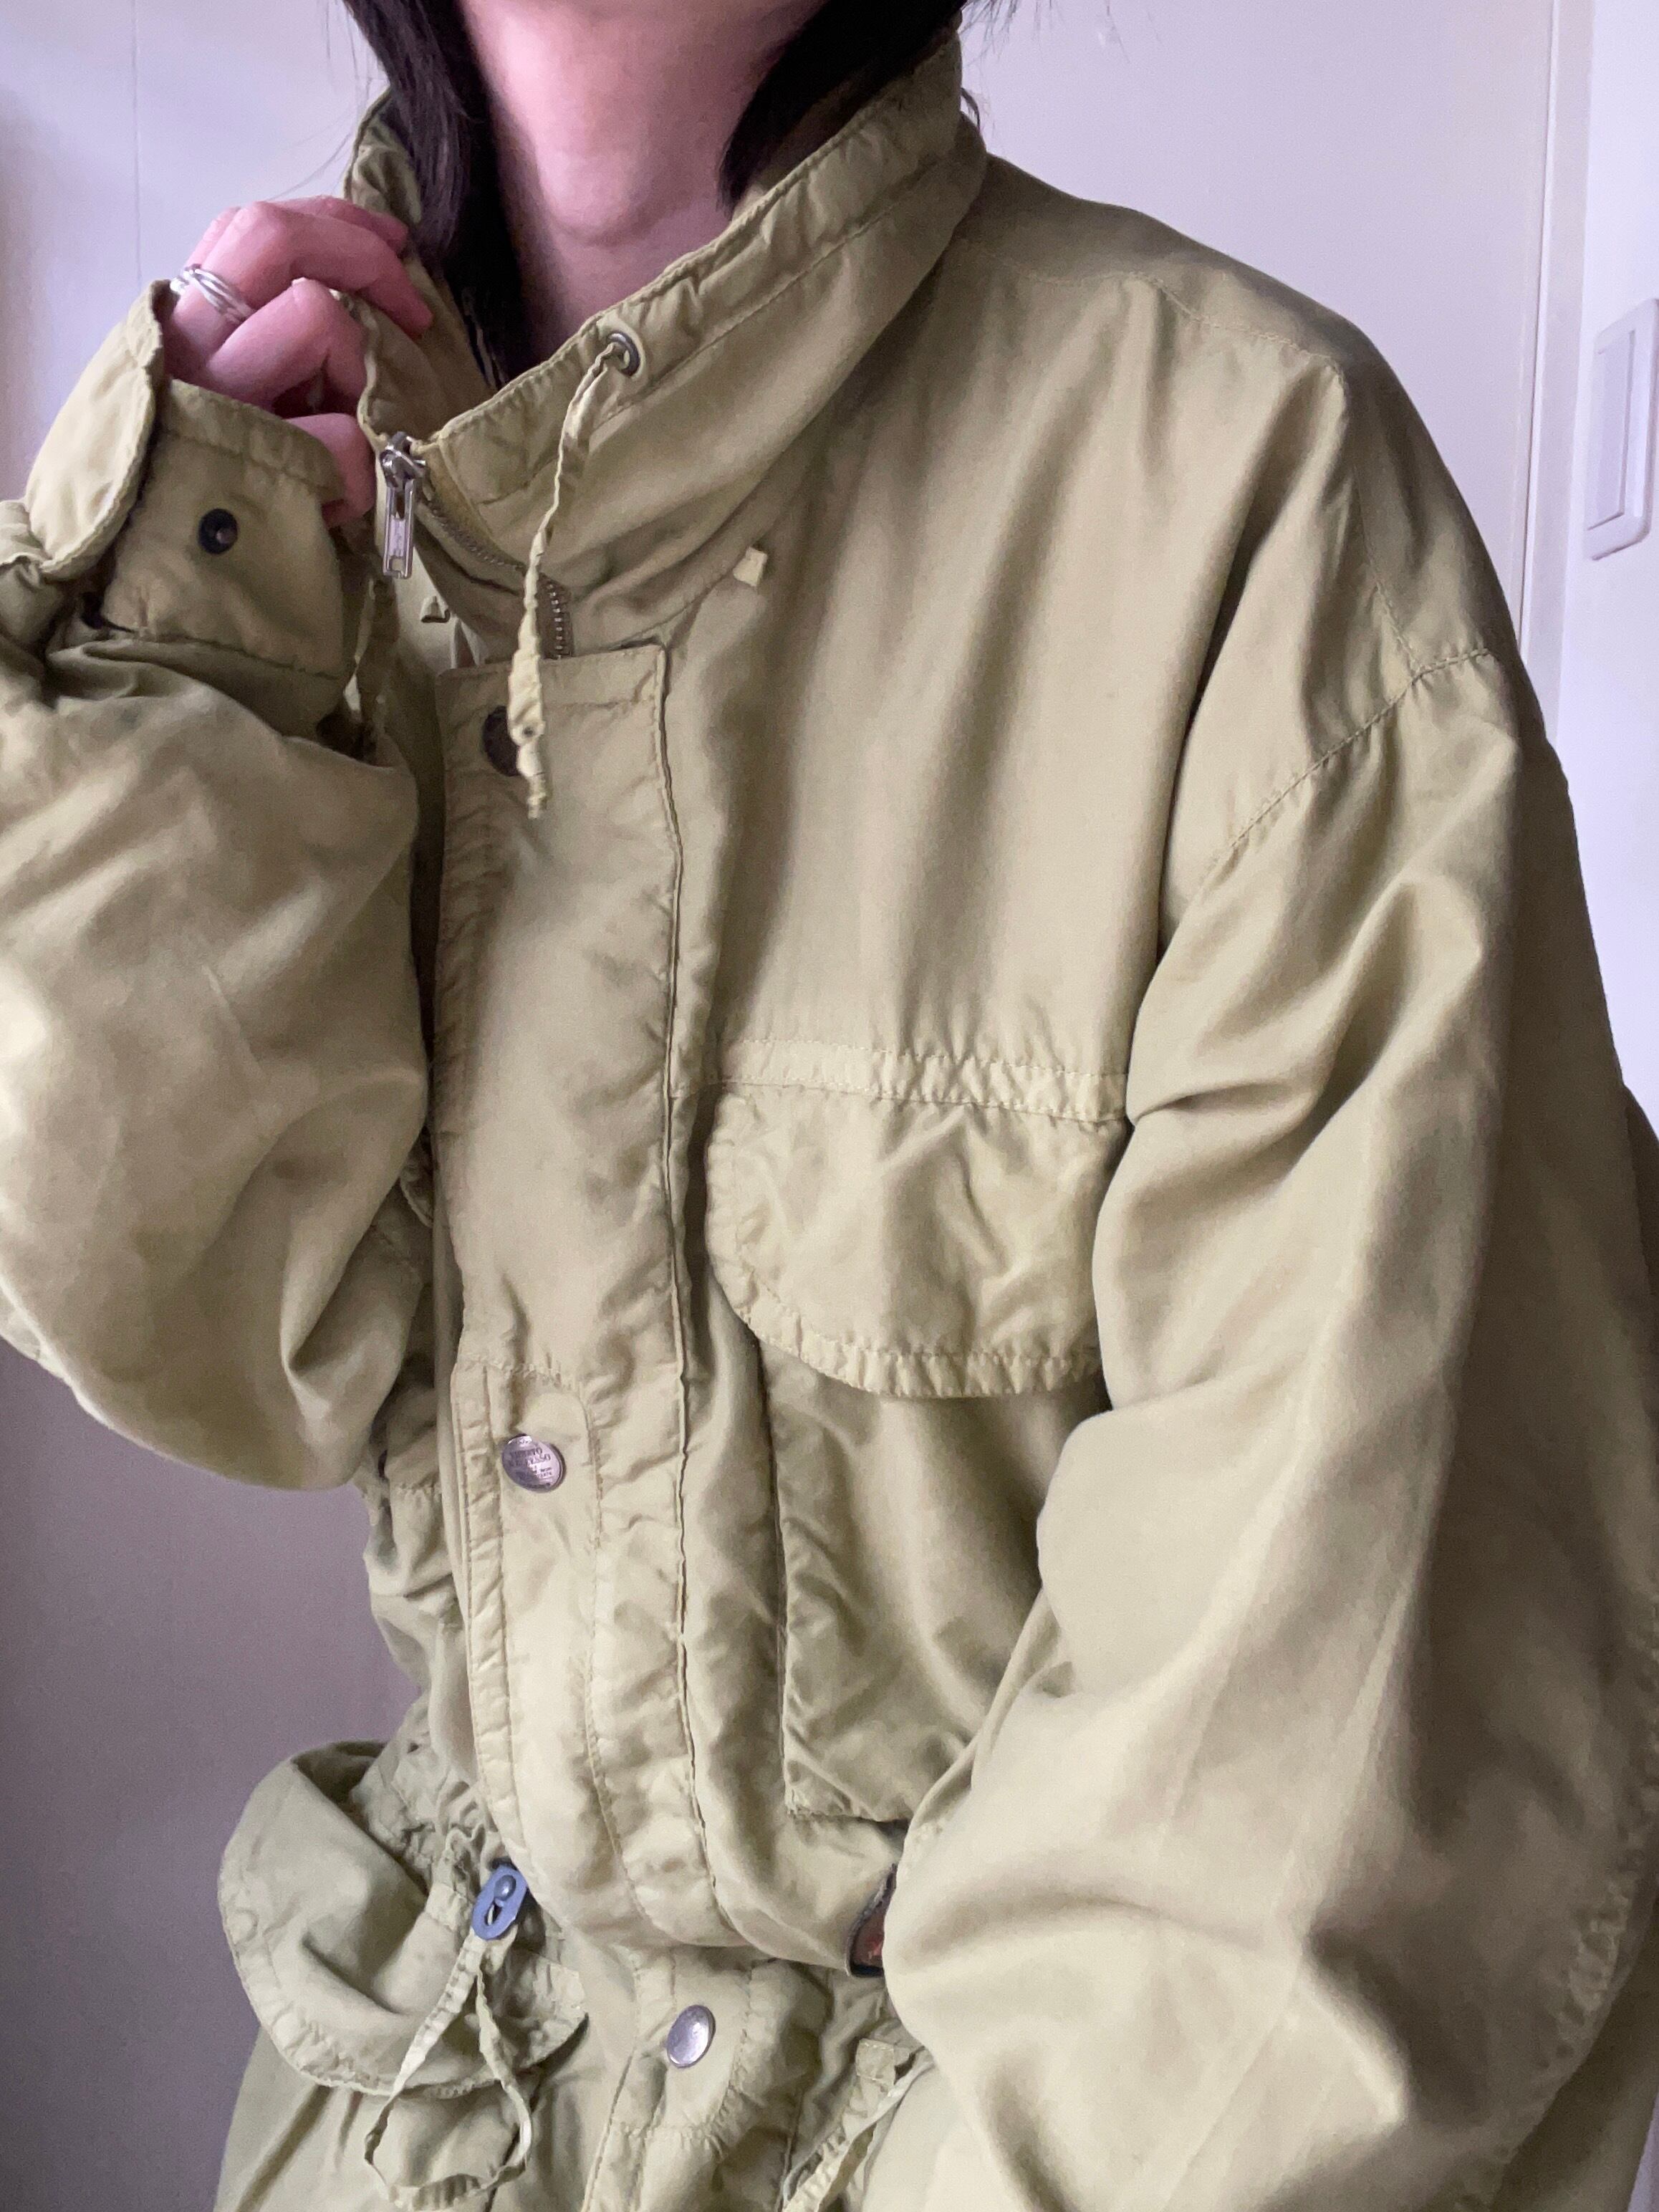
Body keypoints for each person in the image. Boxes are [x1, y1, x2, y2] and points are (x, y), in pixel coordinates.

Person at [4, 0, 1658, 2205]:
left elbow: (1315, 1844)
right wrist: (153, 643)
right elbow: (202, 1319)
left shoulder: (1241, 481)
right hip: (422, 2112)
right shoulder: (277, 520)